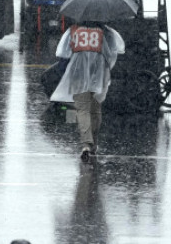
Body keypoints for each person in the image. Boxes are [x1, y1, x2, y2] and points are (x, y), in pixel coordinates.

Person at [50, 19, 125, 163]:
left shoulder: (74, 30)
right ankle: (94, 143)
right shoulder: (106, 32)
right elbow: (112, 54)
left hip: (78, 72)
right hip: (99, 73)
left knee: (82, 109)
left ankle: (86, 144)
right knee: (96, 109)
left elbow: (63, 53)